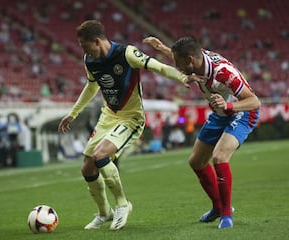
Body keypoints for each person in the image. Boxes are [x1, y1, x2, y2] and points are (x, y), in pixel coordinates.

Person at [58, 20, 200, 231]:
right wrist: (73, 113)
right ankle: (104, 212)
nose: (83, 49)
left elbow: (158, 67)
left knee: (100, 155)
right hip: (108, 116)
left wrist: (182, 77)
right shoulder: (90, 60)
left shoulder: (127, 54)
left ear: (96, 41)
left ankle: (123, 204)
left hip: (131, 118)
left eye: (84, 45)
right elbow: (91, 86)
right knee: (87, 166)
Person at [144, 36, 261, 228]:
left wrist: (229, 105)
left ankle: (226, 215)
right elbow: (181, 57)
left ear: (189, 60)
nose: (177, 67)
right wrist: (162, 48)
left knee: (220, 157)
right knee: (196, 161)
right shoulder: (195, 61)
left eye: (178, 63)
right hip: (219, 112)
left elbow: (255, 102)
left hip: (242, 111)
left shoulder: (223, 73)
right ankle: (217, 207)